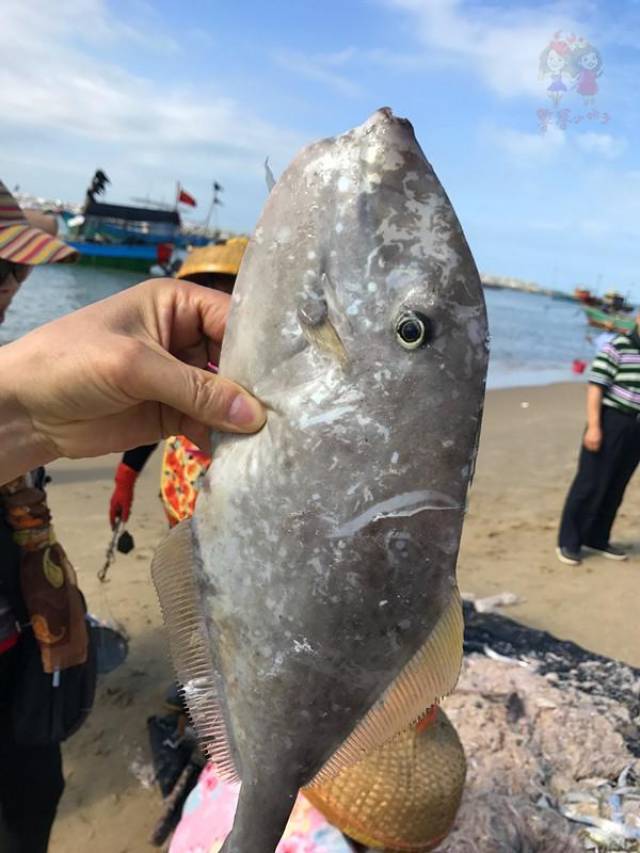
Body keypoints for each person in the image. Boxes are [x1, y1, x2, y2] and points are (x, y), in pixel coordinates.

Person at [108, 237, 248, 529]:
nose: (213, 299)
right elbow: (155, 417)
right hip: (179, 489)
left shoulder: (261, 363)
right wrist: (126, 476)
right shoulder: (180, 354)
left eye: (225, 289)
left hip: (237, 503)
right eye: (203, 289)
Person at [557, 311, 640, 565]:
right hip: (611, 421)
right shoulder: (618, 347)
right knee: (590, 483)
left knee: (616, 486)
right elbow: (596, 387)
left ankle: (597, 538)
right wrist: (594, 427)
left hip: (636, 428)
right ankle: (568, 542)